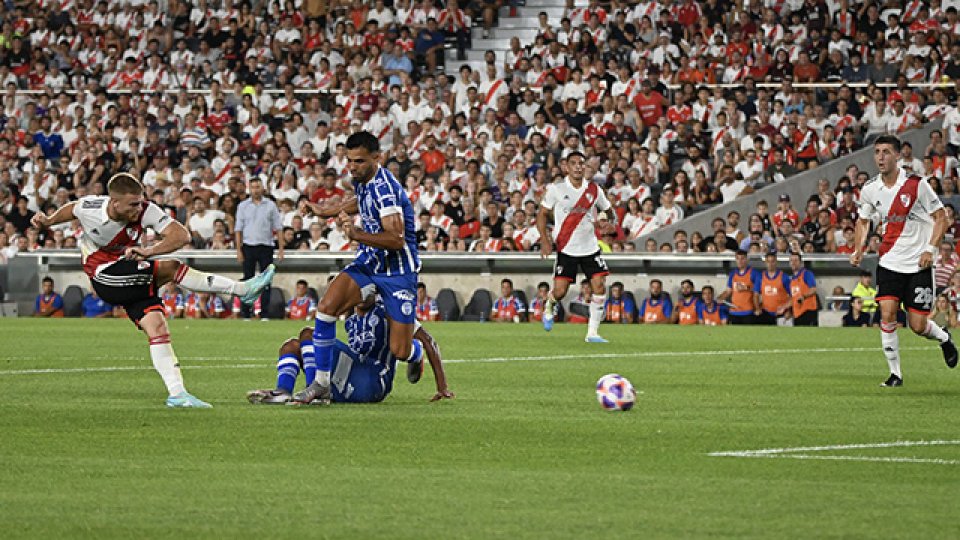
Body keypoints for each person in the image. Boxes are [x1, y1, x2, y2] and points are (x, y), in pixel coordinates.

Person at [31, 173, 275, 407]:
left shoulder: (146, 210)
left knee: (157, 325)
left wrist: (148, 251)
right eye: (132, 205)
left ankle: (177, 394)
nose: (139, 209)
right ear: (114, 203)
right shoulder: (91, 208)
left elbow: (181, 235)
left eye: (140, 202)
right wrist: (50, 221)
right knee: (170, 268)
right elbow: (73, 208)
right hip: (104, 275)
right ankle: (242, 290)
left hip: (129, 271)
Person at [295, 132, 446, 405]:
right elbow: (357, 202)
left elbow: (396, 239)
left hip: (398, 273)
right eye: (350, 161)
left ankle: (415, 354)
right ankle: (322, 383)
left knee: (399, 349)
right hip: (370, 262)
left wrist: (356, 234)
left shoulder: (385, 190)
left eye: (359, 161)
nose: (352, 167)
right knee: (327, 307)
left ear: (377, 158)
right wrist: (323, 212)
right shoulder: (364, 181)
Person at [850, 134, 958, 387]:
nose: (881, 157)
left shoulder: (916, 184)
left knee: (918, 325)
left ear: (898, 155)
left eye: (886, 152)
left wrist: (930, 249)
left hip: (919, 264)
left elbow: (941, 217)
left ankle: (944, 339)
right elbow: (863, 221)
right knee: (887, 314)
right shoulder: (870, 189)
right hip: (889, 260)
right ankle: (895, 374)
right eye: (877, 152)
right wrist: (859, 248)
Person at [246, 293, 453, 404]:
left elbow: (429, 339)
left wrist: (442, 387)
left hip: (375, 379)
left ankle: (315, 391)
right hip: (355, 371)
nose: (364, 293)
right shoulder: (350, 319)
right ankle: (283, 391)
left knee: (308, 335)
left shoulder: (387, 311)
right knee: (290, 346)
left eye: (369, 288)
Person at [537, 151, 613, 342]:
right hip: (567, 247)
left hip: (590, 247)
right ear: (566, 167)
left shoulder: (594, 190)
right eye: (574, 163)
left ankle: (592, 333)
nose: (578, 166)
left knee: (599, 286)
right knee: (561, 291)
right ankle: (549, 304)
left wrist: (605, 221)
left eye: (581, 163)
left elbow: (608, 210)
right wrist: (545, 240)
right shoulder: (557, 189)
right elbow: (542, 214)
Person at [235, 177, 283, 320]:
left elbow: (279, 228)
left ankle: (264, 313)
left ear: (262, 188)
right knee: (247, 281)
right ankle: (246, 313)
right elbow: (238, 230)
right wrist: (238, 250)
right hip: (248, 246)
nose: (256, 190)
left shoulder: (270, 205)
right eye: (253, 187)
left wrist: (281, 249)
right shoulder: (243, 206)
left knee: (266, 281)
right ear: (250, 189)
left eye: (258, 187)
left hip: (266, 246)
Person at [717, 250, 761, 324]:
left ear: (747, 259)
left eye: (742, 258)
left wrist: (746, 288)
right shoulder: (733, 273)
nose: (740, 261)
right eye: (738, 258)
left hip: (748, 311)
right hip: (734, 311)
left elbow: (759, 291)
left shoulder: (754, 273)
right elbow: (728, 291)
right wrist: (721, 297)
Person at [757, 251, 791, 325]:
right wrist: (757, 307)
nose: (770, 264)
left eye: (772, 261)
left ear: (776, 262)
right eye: (768, 261)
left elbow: (793, 296)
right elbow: (755, 294)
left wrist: (788, 309)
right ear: (765, 263)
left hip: (781, 313)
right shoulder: (760, 277)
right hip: (766, 313)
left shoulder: (784, 277)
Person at [788, 251, 819, 326]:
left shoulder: (806, 274)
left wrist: (803, 296)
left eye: (796, 260)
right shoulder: (792, 279)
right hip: (797, 313)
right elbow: (793, 297)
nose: (793, 263)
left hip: (808, 311)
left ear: (801, 263)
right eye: (791, 260)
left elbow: (813, 289)